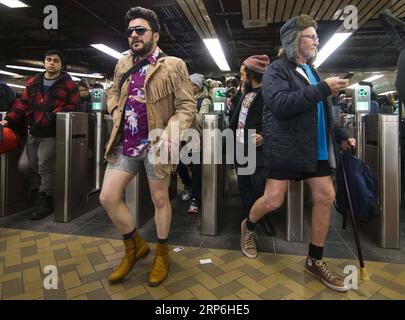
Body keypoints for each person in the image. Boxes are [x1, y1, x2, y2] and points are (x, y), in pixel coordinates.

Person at [240, 15, 356, 293]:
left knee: (326, 196)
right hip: (287, 147)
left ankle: (314, 260)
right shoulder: (277, 70)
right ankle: (248, 225)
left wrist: (341, 137)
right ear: (294, 40)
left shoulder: (313, 72)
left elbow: (325, 113)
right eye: (310, 35)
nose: (316, 40)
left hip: (314, 149)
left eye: (316, 36)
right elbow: (280, 105)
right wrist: (322, 88)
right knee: (272, 200)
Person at [99, 6, 195, 286]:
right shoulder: (123, 63)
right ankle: (135, 246)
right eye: (130, 31)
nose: (134, 35)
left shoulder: (173, 65)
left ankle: (162, 253)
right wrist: (115, 108)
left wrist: (171, 133)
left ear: (155, 34)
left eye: (140, 30)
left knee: (160, 199)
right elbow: (113, 90)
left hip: (156, 143)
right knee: (107, 196)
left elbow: (186, 105)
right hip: (125, 142)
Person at [0, 49, 80, 220]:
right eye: (48, 59)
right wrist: (8, 120)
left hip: (51, 132)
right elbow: (22, 104)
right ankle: (43, 189)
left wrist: (50, 116)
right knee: (29, 164)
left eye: (56, 60)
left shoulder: (68, 84)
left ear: (61, 64)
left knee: (44, 164)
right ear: (44, 62)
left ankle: (46, 199)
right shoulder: (33, 82)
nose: (51, 63)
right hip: (34, 130)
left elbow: (73, 106)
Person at [229, 55, 275, 237]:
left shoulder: (269, 94)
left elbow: (277, 121)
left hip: (258, 152)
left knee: (259, 187)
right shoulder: (246, 94)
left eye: (243, 73)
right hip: (242, 148)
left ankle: (263, 219)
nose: (241, 76)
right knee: (244, 187)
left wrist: (264, 136)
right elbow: (237, 120)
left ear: (252, 73)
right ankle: (249, 221)